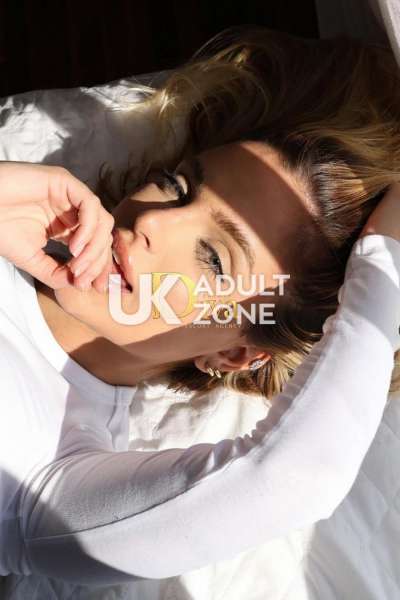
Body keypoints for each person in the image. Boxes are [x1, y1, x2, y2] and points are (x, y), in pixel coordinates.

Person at [1, 25, 400, 582]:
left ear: (235, 353)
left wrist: (385, 254)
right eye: (177, 186)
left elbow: (293, 477)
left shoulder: (51, 474)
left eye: (214, 259)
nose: (154, 222)